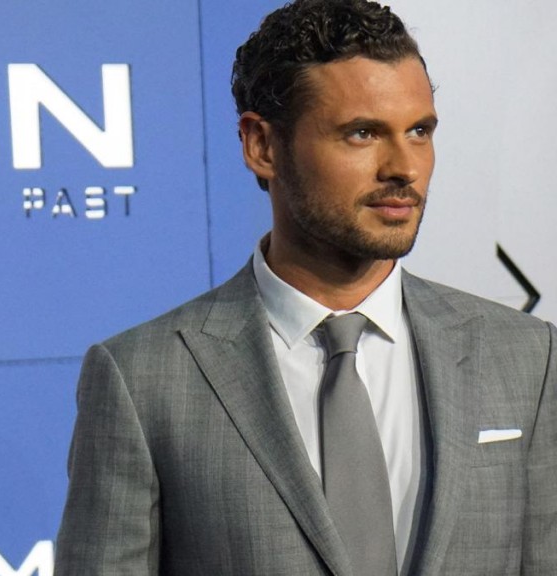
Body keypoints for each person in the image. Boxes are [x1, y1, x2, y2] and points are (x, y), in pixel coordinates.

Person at [53, 0, 557, 574]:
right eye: (362, 133)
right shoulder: (144, 380)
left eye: (419, 131)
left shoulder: (526, 358)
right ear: (262, 146)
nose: (404, 166)